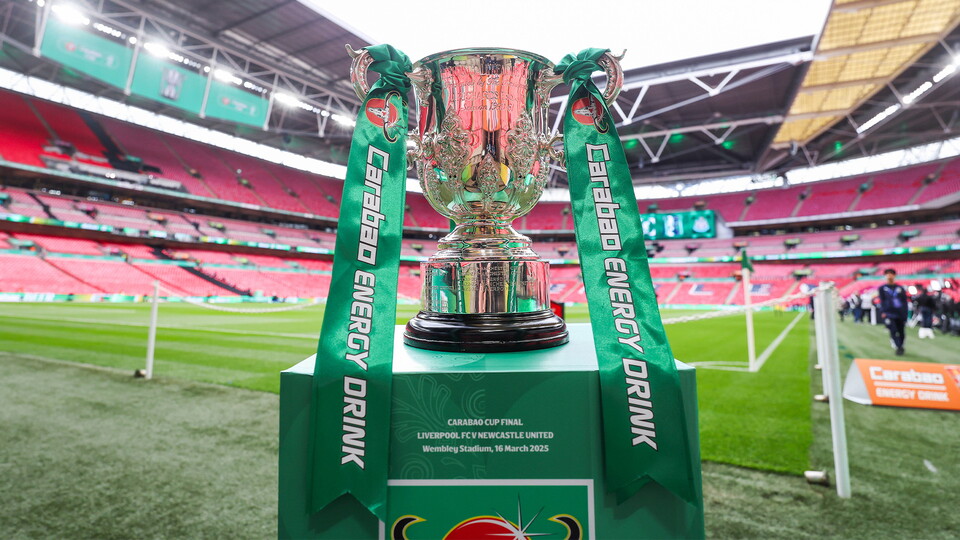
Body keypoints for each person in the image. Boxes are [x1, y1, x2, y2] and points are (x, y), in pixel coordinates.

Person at [878, 269, 909, 355]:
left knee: (901, 331)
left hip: (900, 313)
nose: (889, 276)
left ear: (894, 275)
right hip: (889, 313)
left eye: (891, 274)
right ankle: (898, 346)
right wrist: (883, 312)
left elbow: (904, 301)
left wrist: (905, 313)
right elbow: (882, 301)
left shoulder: (900, 288)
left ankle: (901, 344)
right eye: (887, 274)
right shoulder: (882, 288)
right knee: (893, 330)